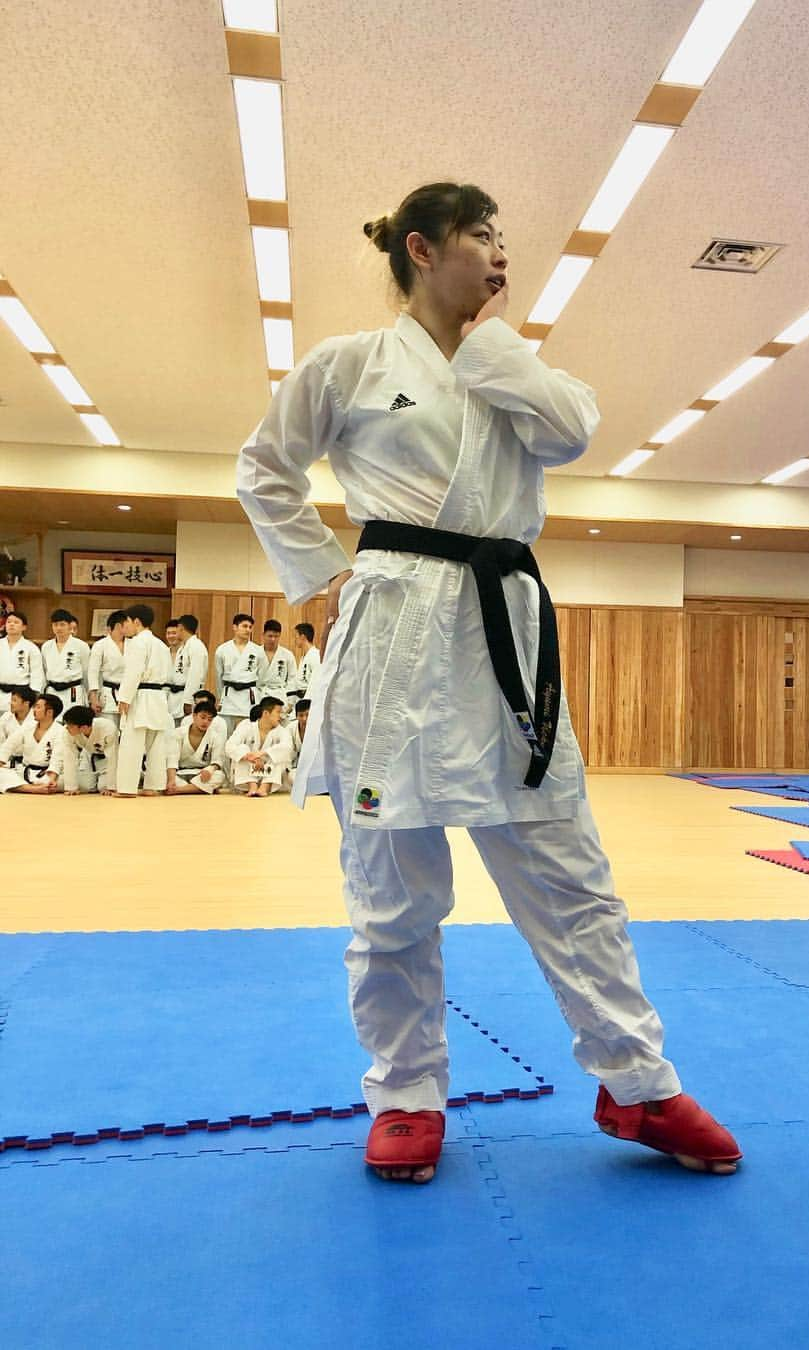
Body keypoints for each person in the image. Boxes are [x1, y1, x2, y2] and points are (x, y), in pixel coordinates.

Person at [236, 181, 741, 1184]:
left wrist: (488, 346)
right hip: (392, 644)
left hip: (503, 637)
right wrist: (324, 576)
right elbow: (265, 470)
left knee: (570, 874)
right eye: (480, 235)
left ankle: (636, 1082)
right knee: (392, 891)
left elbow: (570, 432)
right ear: (422, 250)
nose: (500, 252)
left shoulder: (521, 370)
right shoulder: (348, 365)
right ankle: (406, 1093)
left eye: (504, 236)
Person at [115, 604, 173, 798]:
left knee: (132, 742)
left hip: (141, 695)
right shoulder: (161, 645)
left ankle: (127, 788)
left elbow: (134, 672)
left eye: (127, 622)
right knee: (156, 743)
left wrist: (124, 697)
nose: (126, 627)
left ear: (136, 622)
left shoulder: (139, 642)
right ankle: (153, 786)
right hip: (158, 696)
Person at [225, 695, 293, 796]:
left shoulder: (282, 731)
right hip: (247, 774)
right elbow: (229, 746)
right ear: (266, 713)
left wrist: (262, 754)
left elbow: (287, 748)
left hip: (271, 778)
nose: (281, 716)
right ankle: (252, 785)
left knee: (280, 755)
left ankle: (264, 787)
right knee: (242, 749)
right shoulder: (246, 726)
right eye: (278, 712)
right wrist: (249, 756)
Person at [214, 614, 268, 735]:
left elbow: (262, 677)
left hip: (248, 697)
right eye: (244, 626)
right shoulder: (222, 649)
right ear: (235, 627)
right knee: (225, 732)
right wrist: (219, 697)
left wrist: (257, 693)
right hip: (229, 696)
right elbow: (218, 676)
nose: (248, 630)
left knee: (248, 733)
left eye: (250, 627)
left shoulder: (258, 650)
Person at [47, 705, 118, 795]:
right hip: (87, 757)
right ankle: (94, 781)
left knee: (103, 787)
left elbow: (113, 757)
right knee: (85, 786)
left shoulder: (108, 728)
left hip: (106, 760)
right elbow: (69, 757)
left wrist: (111, 787)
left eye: (70, 726)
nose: (66, 728)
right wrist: (71, 787)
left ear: (83, 727)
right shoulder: (67, 732)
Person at [0, 693, 64, 793]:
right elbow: (9, 745)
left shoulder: (60, 731)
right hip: (25, 772)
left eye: (38, 707)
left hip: (46, 774)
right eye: (35, 707)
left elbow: (57, 759)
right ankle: (34, 789)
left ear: (49, 712)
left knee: (68, 781)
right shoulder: (28, 726)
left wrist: (51, 779)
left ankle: (30, 787)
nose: (34, 710)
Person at [165, 701, 228, 795]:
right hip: (180, 774)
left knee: (219, 776)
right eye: (202, 717)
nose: (205, 722)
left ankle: (179, 790)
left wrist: (210, 769)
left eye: (209, 719)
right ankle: (200, 789)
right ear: (194, 716)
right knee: (162, 775)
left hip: (202, 774)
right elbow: (172, 759)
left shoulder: (215, 736)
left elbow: (217, 761)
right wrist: (171, 780)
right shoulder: (178, 733)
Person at [40, 609, 90, 711]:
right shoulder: (46, 646)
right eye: (55, 624)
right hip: (52, 691)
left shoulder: (81, 646)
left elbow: (87, 672)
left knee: (73, 721)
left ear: (70, 626)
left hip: (73, 690)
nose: (58, 628)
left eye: (62, 624)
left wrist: (90, 694)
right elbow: (44, 671)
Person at [0, 611, 43, 714]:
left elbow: (37, 673)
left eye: (16, 622)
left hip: (21, 695)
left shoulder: (31, 647)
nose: (11, 624)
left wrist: (33, 696)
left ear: (24, 627)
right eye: (9, 622)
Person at [87, 611, 127, 723]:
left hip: (128, 694)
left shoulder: (132, 644)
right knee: (108, 731)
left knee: (126, 734)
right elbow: (93, 672)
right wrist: (94, 698)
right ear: (115, 627)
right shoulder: (100, 645)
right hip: (108, 693)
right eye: (125, 625)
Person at [257, 619, 298, 710]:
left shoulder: (287, 655)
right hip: (259, 694)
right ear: (263, 635)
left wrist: (290, 702)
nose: (273, 639)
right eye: (270, 636)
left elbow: (292, 679)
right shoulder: (256, 653)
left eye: (276, 636)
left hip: (280, 695)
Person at [177, 615, 209, 716]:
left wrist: (188, 700)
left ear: (181, 627)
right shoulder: (183, 647)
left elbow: (195, 675)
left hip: (189, 697)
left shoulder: (196, 647)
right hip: (177, 695)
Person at [290, 622, 321, 710]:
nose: (295, 640)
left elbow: (315, 683)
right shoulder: (304, 657)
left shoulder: (315, 656)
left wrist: (306, 702)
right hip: (300, 699)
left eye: (296, 637)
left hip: (310, 701)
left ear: (302, 637)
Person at [283, 696, 310, 789]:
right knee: (292, 777)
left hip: (317, 768)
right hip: (298, 766)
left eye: (307, 715)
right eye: (301, 715)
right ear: (296, 716)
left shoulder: (320, 728)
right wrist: (287, 767)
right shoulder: (290, 728)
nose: (304, 719)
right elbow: (287, 750)